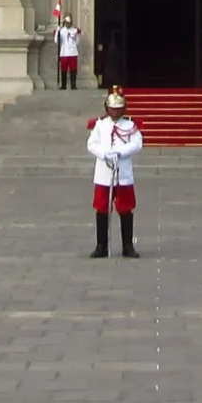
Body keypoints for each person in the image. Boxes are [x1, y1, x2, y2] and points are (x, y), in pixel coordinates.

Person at [86, 89, 142, 258]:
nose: (115, 111)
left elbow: (137, 143)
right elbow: (91, 144)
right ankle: (101, 245)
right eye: (112, 108)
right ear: (106, 108)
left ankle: (128, 245)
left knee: (126, 209)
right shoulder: (100, 125)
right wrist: (104, 154)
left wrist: (120, 152)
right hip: (104, 172)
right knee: (102, 208)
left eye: (118, 108)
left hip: (123, 172)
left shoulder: (130, 125)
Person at [54, 13, 82, 90]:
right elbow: (56, 41)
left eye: (69, 22)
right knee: (63, 69)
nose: (68, 24)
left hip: (73, 52)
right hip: (64, 52)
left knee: (73, 69)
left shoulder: (75, 30)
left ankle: (73, 85)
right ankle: (63, 85)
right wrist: (57, 31)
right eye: (66, 22)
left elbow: (77, 42)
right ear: (64, 22)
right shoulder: (61, 31)